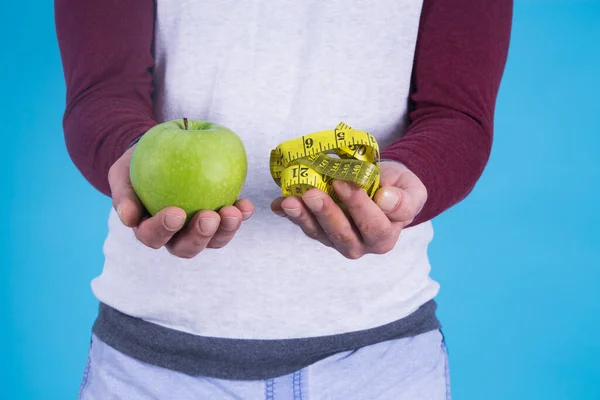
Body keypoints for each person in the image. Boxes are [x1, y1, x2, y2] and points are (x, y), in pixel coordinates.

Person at [55, 0, 512, 398]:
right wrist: (131, 157)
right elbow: (102, 89)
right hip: (151, 366)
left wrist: (405, 182)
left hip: (382, 364)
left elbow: (456, 112)